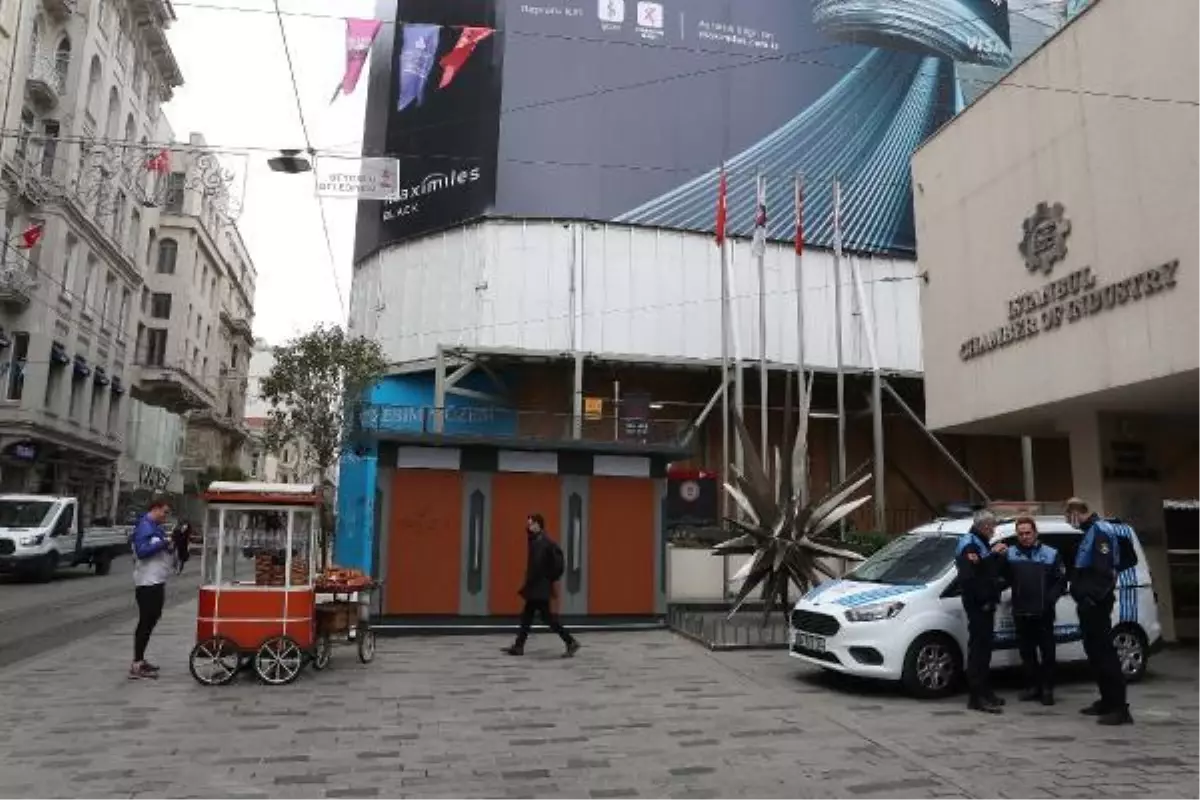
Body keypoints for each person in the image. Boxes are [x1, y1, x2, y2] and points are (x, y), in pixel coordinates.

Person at [1066, 497, 1133, 725]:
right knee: (1094, 652)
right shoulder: (1089, 531)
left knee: (1105, 653)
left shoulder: (1100, 531)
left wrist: (1091, 598)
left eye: (1069, 516)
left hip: (1096, 603)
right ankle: (1106, 701)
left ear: (1077, 512)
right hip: (1089, 602)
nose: (1069, 521)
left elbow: (1104, 570)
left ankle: (1120, 708)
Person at [1003, 516, 1066, 706]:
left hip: (1043, 612)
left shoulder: (1051, 553)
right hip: (1021, 611)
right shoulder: (1010, 554)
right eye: (1020, 534)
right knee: (1027, 653)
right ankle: (1032, 687)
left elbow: (1060, 581)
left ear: (1035, 533)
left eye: (1028, 533)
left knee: (1048, 653)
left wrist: (1050, 600)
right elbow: (1002, 577)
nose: (1024, 537)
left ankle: (1047, 689)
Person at [502, 513, 580, 658]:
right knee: (527, 616)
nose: (529, 526)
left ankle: (571, 642)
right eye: (528, 524)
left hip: (539, 587)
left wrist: (541, 580)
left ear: (538, 525)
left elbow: (540, 566)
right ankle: (519, 646)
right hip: (536, 587)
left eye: (531, 523)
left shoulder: (544, 543)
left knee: (547, 618)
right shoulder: (536, 540)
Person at [955, 509, 1007, 713]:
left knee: (985, 649)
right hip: (978, 605)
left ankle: (984, 691)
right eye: (992, 526)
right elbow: (970, 577)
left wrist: (994, 555)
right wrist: (992, 555)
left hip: (986, 603)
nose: (994, 530)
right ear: (984, 526)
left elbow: (986, 570)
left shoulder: (980, 542)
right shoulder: (969, 543)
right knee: (978, 650)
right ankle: (976, 697)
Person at [130, 498, 174, 679]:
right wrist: (163, 544)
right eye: (164, 512)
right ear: (155, 509)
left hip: (157, 580)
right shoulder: (144, 526)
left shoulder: (156, 527)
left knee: (153, 618)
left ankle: (140, 660)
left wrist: (170, 545)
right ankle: (137, 663)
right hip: (147, 582)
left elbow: (161, 549)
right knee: (146, 621)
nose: (166, 516)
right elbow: (142, 551)